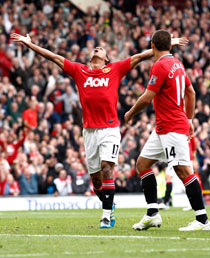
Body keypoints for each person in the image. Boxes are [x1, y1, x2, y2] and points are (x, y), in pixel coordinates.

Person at [11, 32, 188, 228]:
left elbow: (140, 56)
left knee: (107, 168)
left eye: (101, 49)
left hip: (110, 129)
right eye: (95, 48)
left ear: (107, 58)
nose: (97, 48)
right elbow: (53, 56)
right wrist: (30, 44)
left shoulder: (115, 69)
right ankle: (109, 204)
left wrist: (165, 45)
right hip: (89, 132)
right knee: (96, 181)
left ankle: (105, 216)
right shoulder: (80, 71)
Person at [125, 30, 210, 231]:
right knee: (143, 164)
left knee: (182, 171)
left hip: (172, 126)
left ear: (153, 46)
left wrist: (130, 113)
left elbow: (147, 98)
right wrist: (189, 118)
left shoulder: (160, 65)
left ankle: (202, 219)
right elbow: (191, 92)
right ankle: (153, 213)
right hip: (164, 127)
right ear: (170, 46)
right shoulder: (178, 64)